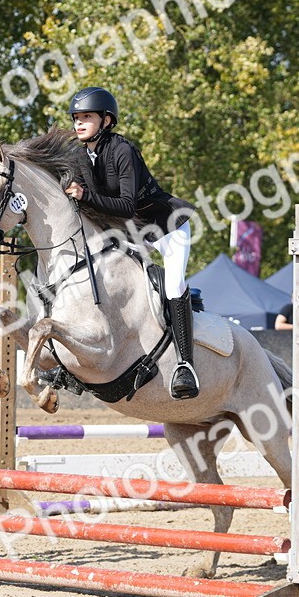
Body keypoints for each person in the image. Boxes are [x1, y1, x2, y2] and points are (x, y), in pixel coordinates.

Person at [62, 86, 200, 400]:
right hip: (131, 234)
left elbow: (126, 205)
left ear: (106, 120)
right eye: (76, 118)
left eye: (87, 117)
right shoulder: (80, 154)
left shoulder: (122, 150)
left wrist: (84, 196)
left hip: (166, 228)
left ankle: (185, 365)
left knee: (174, 285)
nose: (79, 123)